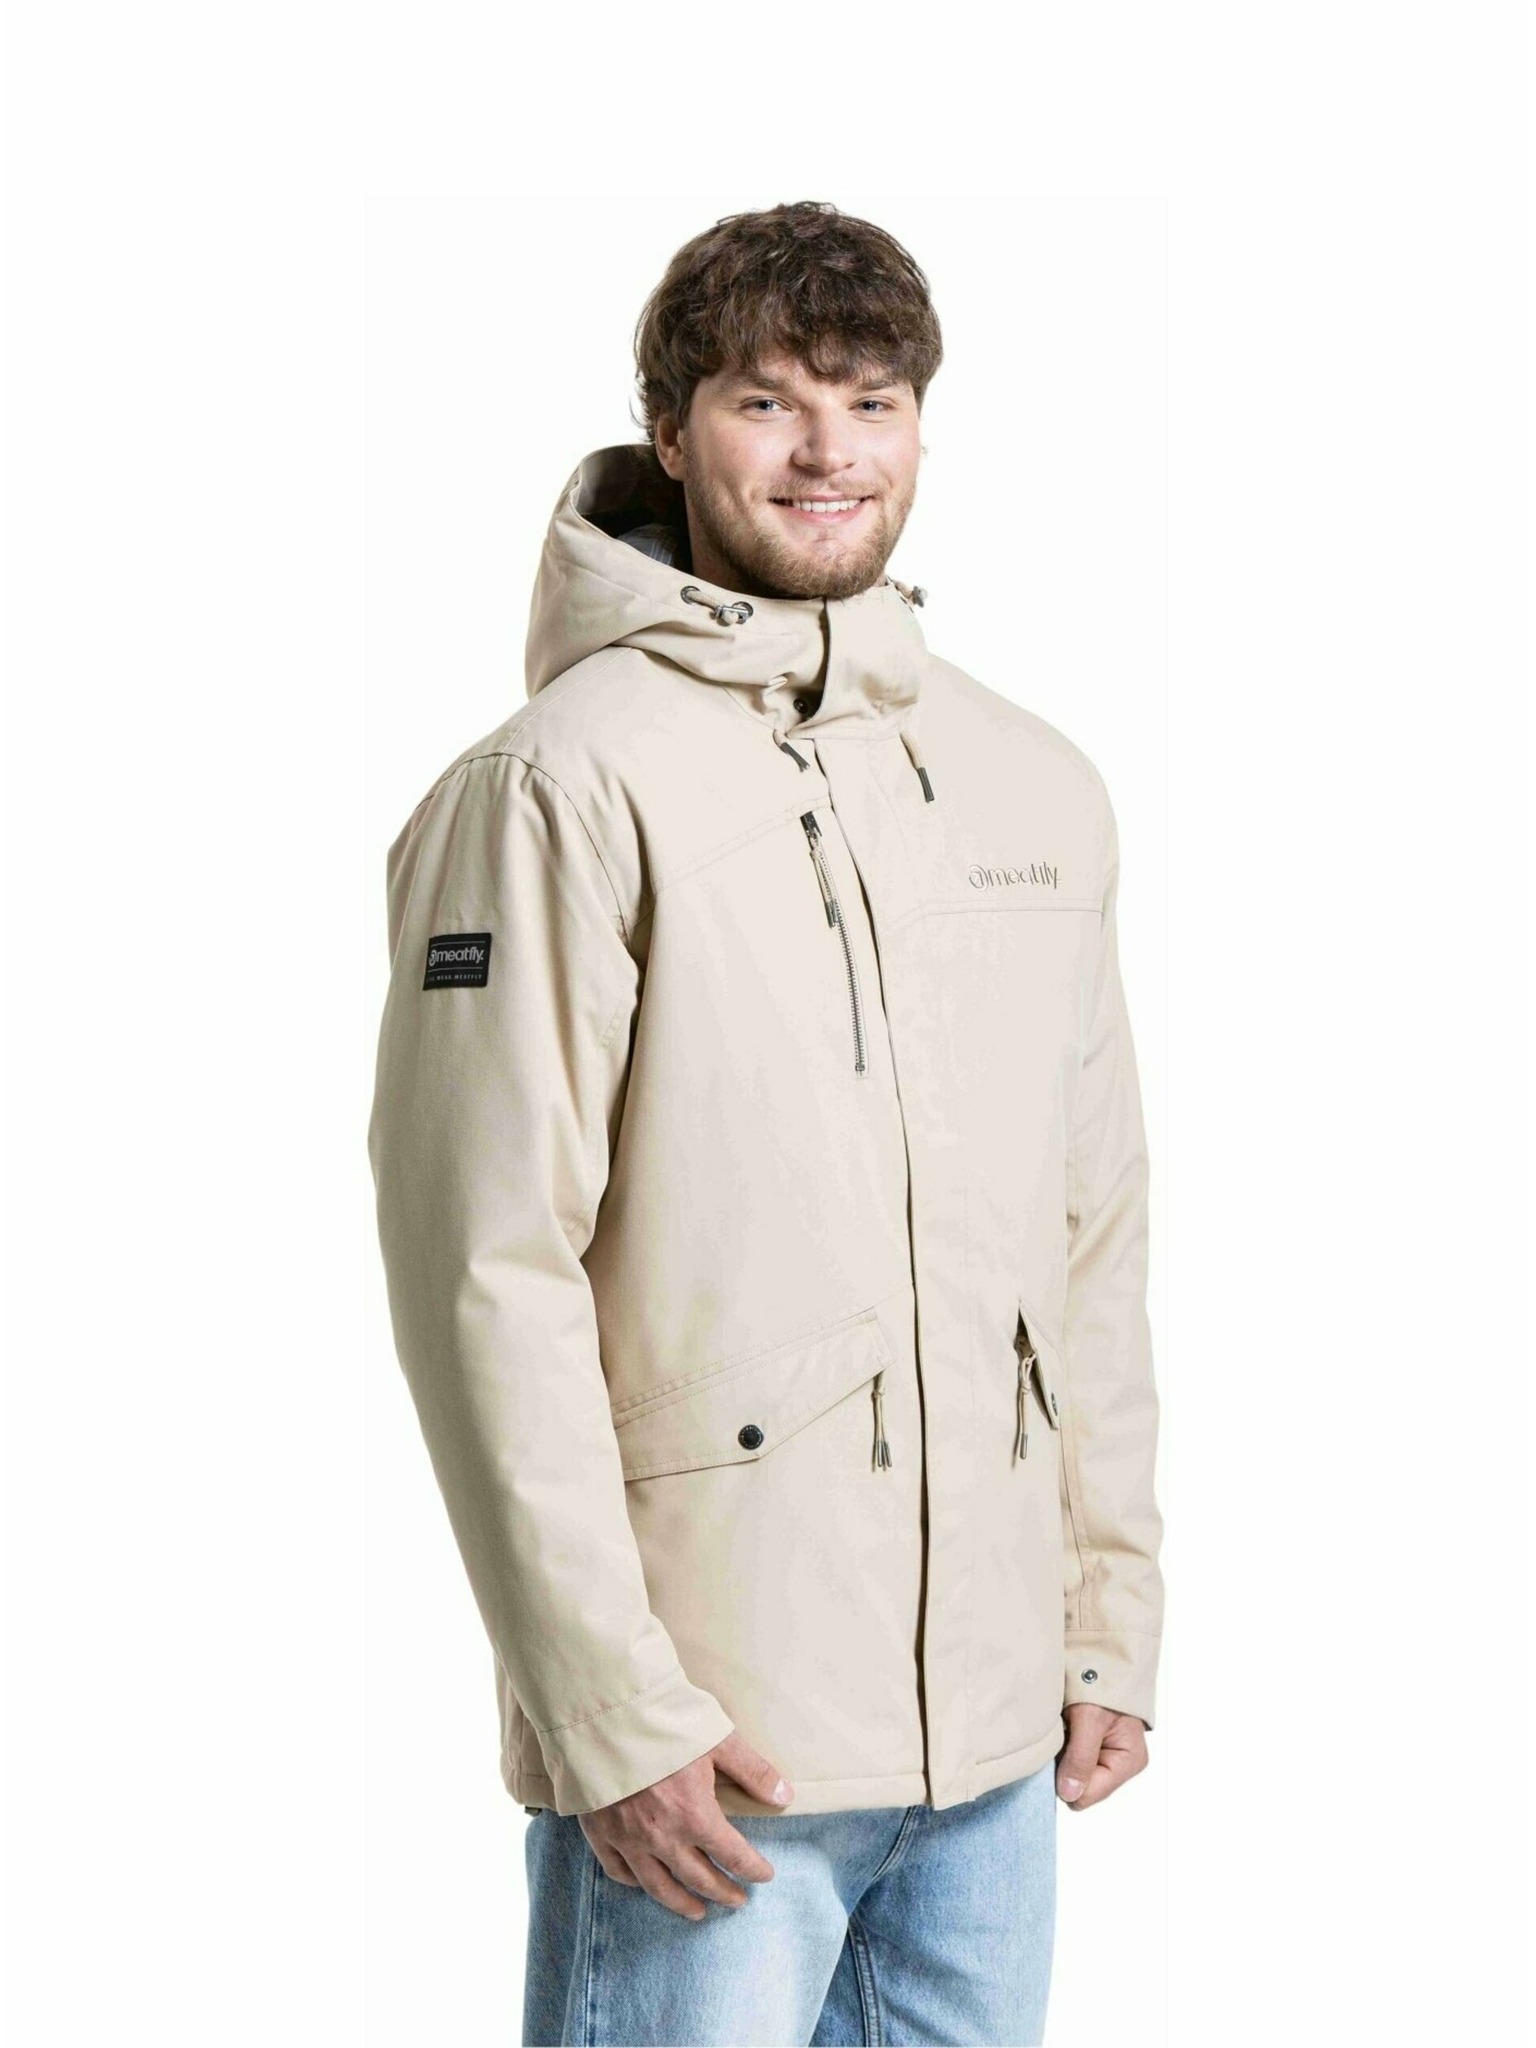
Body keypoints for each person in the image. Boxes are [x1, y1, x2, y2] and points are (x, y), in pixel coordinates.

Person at [368, 198, 1164, 2047]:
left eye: (872, 402)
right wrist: (607, 1710)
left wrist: (1106, 1611)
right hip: (714, 1754)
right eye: (767, 401)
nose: (828, 452)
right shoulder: (558, 786)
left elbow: (1095, 1236)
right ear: (670, 431)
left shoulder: (1031, 779)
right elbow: (483, 1269)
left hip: (994, 1752)